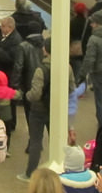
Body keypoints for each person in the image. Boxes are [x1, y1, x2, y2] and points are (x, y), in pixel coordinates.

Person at [18, 37, 74, 181]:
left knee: (36, 141)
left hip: (38, 110)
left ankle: (30, 173)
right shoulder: (67, 67)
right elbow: (71, 88)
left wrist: (26, 96)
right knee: (57, 139)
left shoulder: (40, 70)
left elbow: (35, 94)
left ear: (45, 50)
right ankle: (60, 168)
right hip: (57, 110)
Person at [0, 16, 23, 89]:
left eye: (3, 26)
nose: (0, 27)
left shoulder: (16, 40)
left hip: (5, 73)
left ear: (10, 27)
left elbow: (11, 58)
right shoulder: (2, 35)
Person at [69, 2, 89, 83]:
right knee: (80, 69)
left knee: (73, 67)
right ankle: (78, 83)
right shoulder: (87, 23)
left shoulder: (72, 22)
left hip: (73, 48)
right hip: (84, 50)